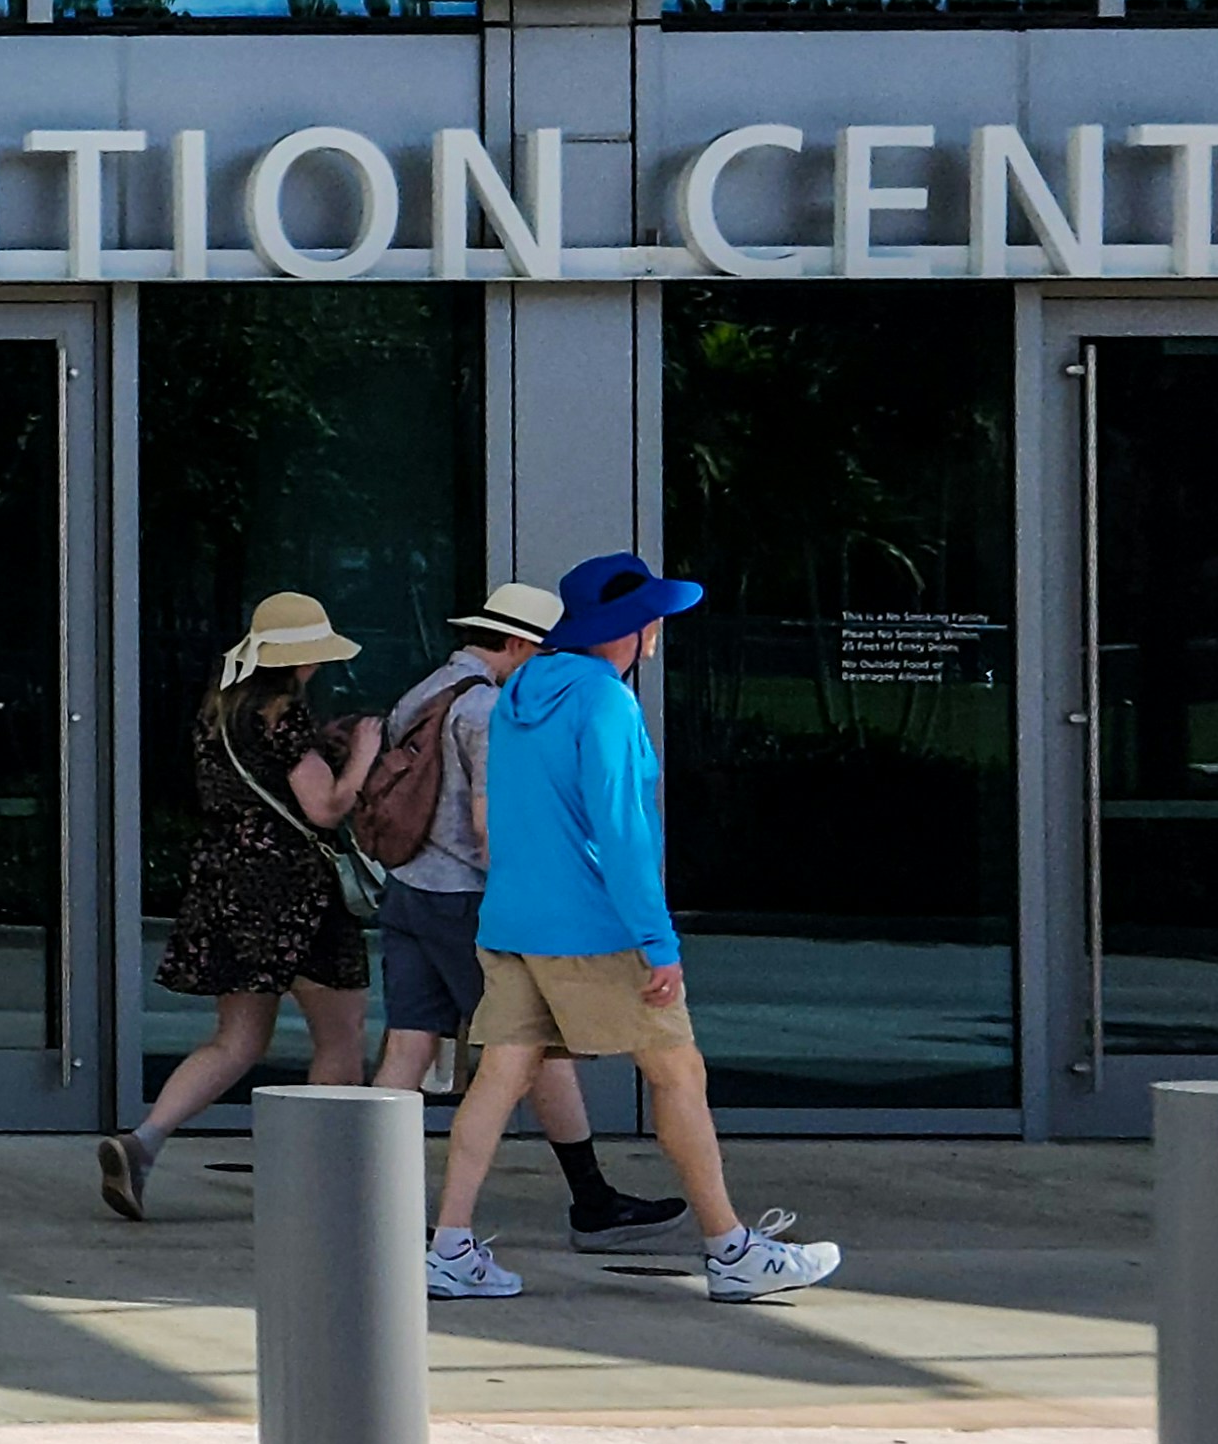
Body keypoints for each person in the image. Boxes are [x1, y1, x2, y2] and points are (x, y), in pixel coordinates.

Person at [425, 554, 838, 1305]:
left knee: (501, 1077)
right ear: (635, 628)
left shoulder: (520, 694)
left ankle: (450, 1247)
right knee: (678, 1072)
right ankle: (731, 1248)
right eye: (654, 618)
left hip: (514, 920)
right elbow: (621, 832)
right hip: (593, 929)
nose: (658, 630)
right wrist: (659, 941)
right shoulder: (606, 705)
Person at [362, 575, 666, 1251]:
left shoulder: (426, 692)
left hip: (409, 888)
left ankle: (366, 1202)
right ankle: (591, 1198)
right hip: (465, 896)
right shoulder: (485, 709)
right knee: (531, 1049)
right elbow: (487, 822)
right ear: (519, 643)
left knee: (408, 1047)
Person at [109, 592, 379, 1222]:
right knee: (340, 1037)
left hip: (226, 879)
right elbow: (326, 807)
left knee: (237, 1038)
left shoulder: (219, 711)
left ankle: (144, 1142)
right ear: (300, 659)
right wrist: (362, 752)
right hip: (293, 887)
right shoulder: (282, 714)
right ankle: (322, 1187)